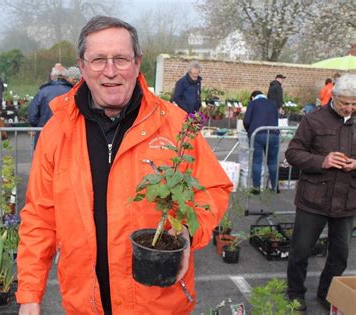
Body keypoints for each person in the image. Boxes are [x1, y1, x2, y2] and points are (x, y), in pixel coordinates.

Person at [16, 16, 233, 314]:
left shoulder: (174, 125)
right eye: (98, 60)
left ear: (137, 63)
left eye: (120, 59)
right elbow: (39, 216)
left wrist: (187, 231)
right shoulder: (58, 131)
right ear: (81, 65)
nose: (110, 71)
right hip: (84, 302)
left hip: (156, 303)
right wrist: (29, 294)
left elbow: (214, 188)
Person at [285, 73, 356, 312]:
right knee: (300, 251)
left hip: (347, 201)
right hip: (313, 199)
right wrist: (322, 161)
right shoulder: (313, 119)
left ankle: (327, 293)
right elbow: (292, 153)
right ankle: (295, 294)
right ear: (333, 96)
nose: (349, 108)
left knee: (340, 255)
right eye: (345, 102)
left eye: (355, 103)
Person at [243, 90, 279, 194]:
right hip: (273, 134)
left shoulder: (252, 103)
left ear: (253, 97)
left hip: (257, 134)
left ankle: (256, 188)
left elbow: (246, 121)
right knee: (273, 161)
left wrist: (248, 130)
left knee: (257, 161)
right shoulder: (273, 104)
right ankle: (275, 186)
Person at [27, 65, 72, 149]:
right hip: (67, 138)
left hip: (44, 136)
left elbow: (32, 117)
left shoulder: (42, 92)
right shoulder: (73, 92)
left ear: (52, 76)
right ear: (66, 77)